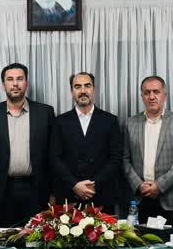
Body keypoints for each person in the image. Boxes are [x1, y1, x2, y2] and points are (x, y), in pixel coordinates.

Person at [0, 63, 55, 227]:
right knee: (3, 237)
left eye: (20, 79)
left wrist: (53, 193)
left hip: (37, 190)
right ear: (3, 84)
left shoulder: (45, 112)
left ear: (26, 83)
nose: (15, 84)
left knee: (36, 238)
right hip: (2, 190)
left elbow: (53, 156)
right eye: (10, 79)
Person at [121, 76, 173, 222]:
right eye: (147, 92)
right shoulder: (130, 123)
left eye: (156, 92)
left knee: (171, 236)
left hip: (169, 197)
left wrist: (159, 185)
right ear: (142, 96)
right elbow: (124, 159)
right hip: (139, 198)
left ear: (164, 95)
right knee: (138, 236)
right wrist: (139, 185)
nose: (151, 96)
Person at [50, 72, 123, 212]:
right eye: (77, 86)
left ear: (94, 89)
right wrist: (75, 185)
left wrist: (93, 185)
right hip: (69, 195)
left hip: (101, 195)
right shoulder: (60, 121)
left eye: (87, 86)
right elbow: (54, 158)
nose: (83, 90)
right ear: (71, 91)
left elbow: (116, 158)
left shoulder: (110, 120)